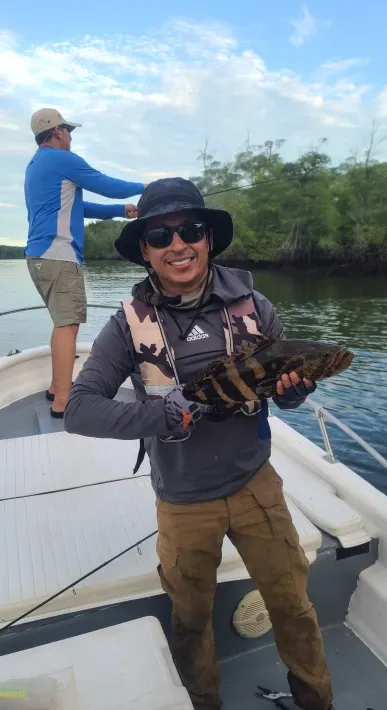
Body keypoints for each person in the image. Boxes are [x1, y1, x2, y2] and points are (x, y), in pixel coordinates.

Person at [64, 178, 334, 710]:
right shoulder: (127, 325)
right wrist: (159, 414)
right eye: (161, 236)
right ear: (145, 249)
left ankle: (318, 700)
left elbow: (284, 401)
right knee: (189, 620)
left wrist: (295, 394)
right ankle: (203, 702)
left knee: (294, 606)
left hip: (258, 486)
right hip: (184, 500)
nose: (177, 245)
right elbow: (78, 408)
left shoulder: (254, 305)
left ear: (209, 238)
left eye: (190, 230)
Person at [24, 107, 147, 418]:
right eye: (68, 130)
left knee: (62, 323)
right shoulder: (62, 159)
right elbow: (103, 183)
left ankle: (56, 387)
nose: (70, 136)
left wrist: (121, 209)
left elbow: (79, 206)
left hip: (38, 257)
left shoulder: (36, 165)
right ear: (57, 132)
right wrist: (146, 188)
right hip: (59, 254)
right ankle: (64, 401)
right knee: (68, 325)